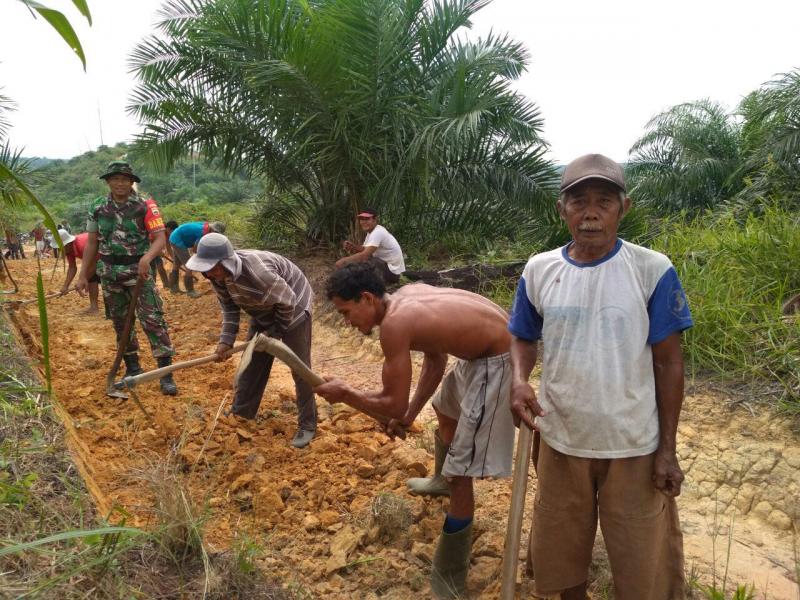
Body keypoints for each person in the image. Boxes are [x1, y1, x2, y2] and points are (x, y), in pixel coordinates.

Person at [508, 154, 693, 600]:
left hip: (633, 445)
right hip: (560, 440)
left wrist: (667, 449)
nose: (590, 213)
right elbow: (522, 336)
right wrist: (519, 379)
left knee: (641, 567)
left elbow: (669, 363)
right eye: (579, 202)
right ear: (562, 210)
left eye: (603, 202)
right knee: (561, 554)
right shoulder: (539, 270)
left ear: (622, 208)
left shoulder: (651, 269)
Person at [314, 262, 515, 599]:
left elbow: (390, 404)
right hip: (477, 354)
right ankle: (440, 481)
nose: (347, 323)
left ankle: (449, 577)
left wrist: (347, 393)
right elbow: (435, 361)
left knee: (461, 473)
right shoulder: (405, 297)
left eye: (346, 312)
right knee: (444, 406)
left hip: (499, 361)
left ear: (366, 298)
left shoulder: (394, 324)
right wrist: (410, 415)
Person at [186, 233, 317, 448]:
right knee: (252, 364)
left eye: (214, 267)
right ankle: (241, 414)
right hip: (261, 310)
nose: (210, 273)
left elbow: (288, 301)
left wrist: (274, 333)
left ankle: (308, 425)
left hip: (294, 308)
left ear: (226, 261)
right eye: (206, 269)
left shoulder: (259, 273)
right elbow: (229, 308)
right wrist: (225, 342)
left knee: (300, 368)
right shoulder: (217, 277)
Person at [75, 161, 178, 396]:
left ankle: (165, 374)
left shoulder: (146, 206)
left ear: (132, 182)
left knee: (152, 320)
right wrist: (83, 275)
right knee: (121, 323)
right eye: (115, 179)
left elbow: (160, 238)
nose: (119, 183)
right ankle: (132, 368)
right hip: (109, 274)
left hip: (138, 272)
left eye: (124, 179)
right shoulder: (98, 207)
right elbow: (92, 243)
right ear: (108, 181)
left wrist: (147, 258)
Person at [336, 207, 405, 284]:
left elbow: (364, 255)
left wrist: (343, 262)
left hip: (392, 273)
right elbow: (365, 249)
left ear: (375, 220)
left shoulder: (378, 232)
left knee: (365, 262)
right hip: (387, 268)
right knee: (364, 262)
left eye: (367, 219)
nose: (364, 222)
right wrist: (353, 246)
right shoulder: (371, 232)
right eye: (362, 219)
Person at [168, 220, 225, 297]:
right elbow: (195, 249)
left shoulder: (206, 227)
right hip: (177, 240)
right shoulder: (202, 232)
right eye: (216, 233)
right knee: (189, 266)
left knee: (176, 264)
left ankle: (174, 289)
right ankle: (190, 291)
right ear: (213, 230)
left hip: (175, 237)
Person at [58, 229, 100, 314]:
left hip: (103, 256)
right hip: (94, 261)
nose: (59, 250)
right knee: (91, 278)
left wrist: (82, 280)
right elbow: (72, 267)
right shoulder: (69, 250)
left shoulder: (81, 245)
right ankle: (94, 307)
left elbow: (92, 265)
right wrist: (65, 286)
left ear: (67, 244)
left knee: (95, 277)